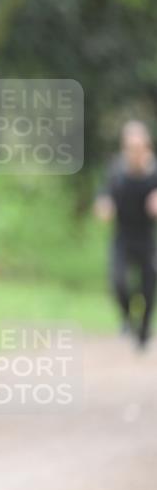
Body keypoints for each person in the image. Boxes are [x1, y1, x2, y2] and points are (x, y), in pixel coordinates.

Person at [94, 120, 157, 349]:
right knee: (118, 281)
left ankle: (143, 329)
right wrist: (103, 205)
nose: (135, 152)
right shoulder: (116, 171)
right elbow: (103, 195)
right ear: (125, 148)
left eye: (139, 147)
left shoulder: (154, 172)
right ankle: (127, 319)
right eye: (130, 147)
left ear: (146, 147)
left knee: (149, 286)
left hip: (147, 239)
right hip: (122, 237)